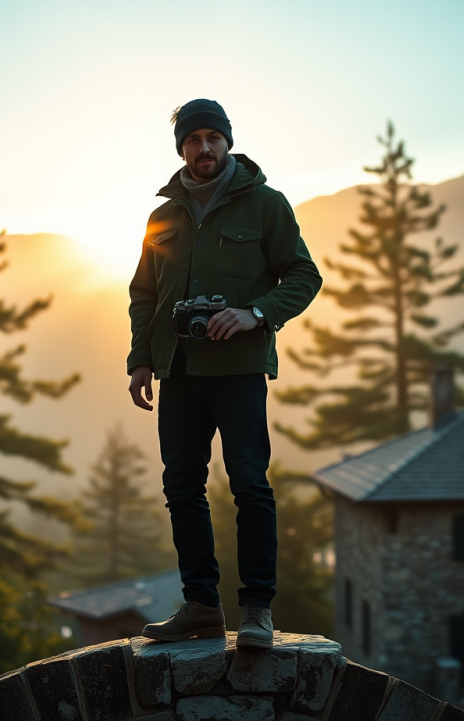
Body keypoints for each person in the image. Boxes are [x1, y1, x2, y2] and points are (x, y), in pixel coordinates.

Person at [127, 98, 322, 648]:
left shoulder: (265, 205)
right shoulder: (161, 217)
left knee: (249, 485)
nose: (203, 148)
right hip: (177, 372)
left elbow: (304, 275)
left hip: (238, 371)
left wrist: (254, 312)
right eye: (192, 140)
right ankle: (201, 607)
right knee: (182, 489)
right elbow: (144, 294)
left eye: (213, 137)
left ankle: (257, 609)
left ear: (227, 142)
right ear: (181, 148)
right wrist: (141, 358)